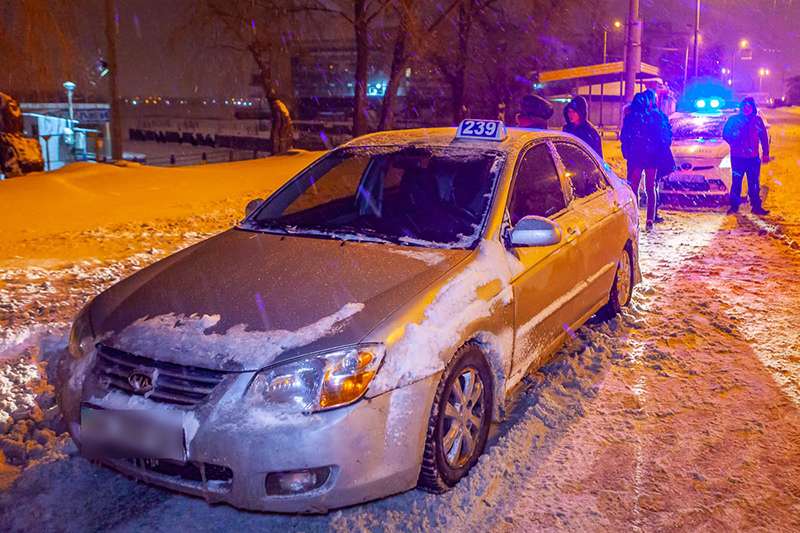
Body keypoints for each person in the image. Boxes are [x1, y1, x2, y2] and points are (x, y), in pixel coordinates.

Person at [620, 91, 669, 231]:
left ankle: (635, 218)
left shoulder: (632, 117)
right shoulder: (654, 116)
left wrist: (628, 151)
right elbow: (662, 137)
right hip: (650, 156)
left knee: (634, 187)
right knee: (649, 187)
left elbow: (625, 136)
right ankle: (649, 219)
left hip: (637, 156)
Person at [722, 96, 770, 215]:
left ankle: (756, 206)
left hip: (753, 158)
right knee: (736, 182)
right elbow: (725, 134)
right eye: (745, 106)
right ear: (741, 107)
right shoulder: (734, 120)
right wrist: (735, 140)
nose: (747, 108)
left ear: (753, 108)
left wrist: (766, 153)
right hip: (738, 157)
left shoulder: (757, 120)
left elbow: (763, 138)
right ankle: (734, 206)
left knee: (754, 183)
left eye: (749, 106)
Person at [268, 89, 293, 155]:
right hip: (287, 124)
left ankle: (278, 153)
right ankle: (282, 152)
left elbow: (278, 119)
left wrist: (275, 130)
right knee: (283, 139)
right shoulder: (281, 104)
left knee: (279, 139)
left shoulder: (275, 106)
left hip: (283, 125)